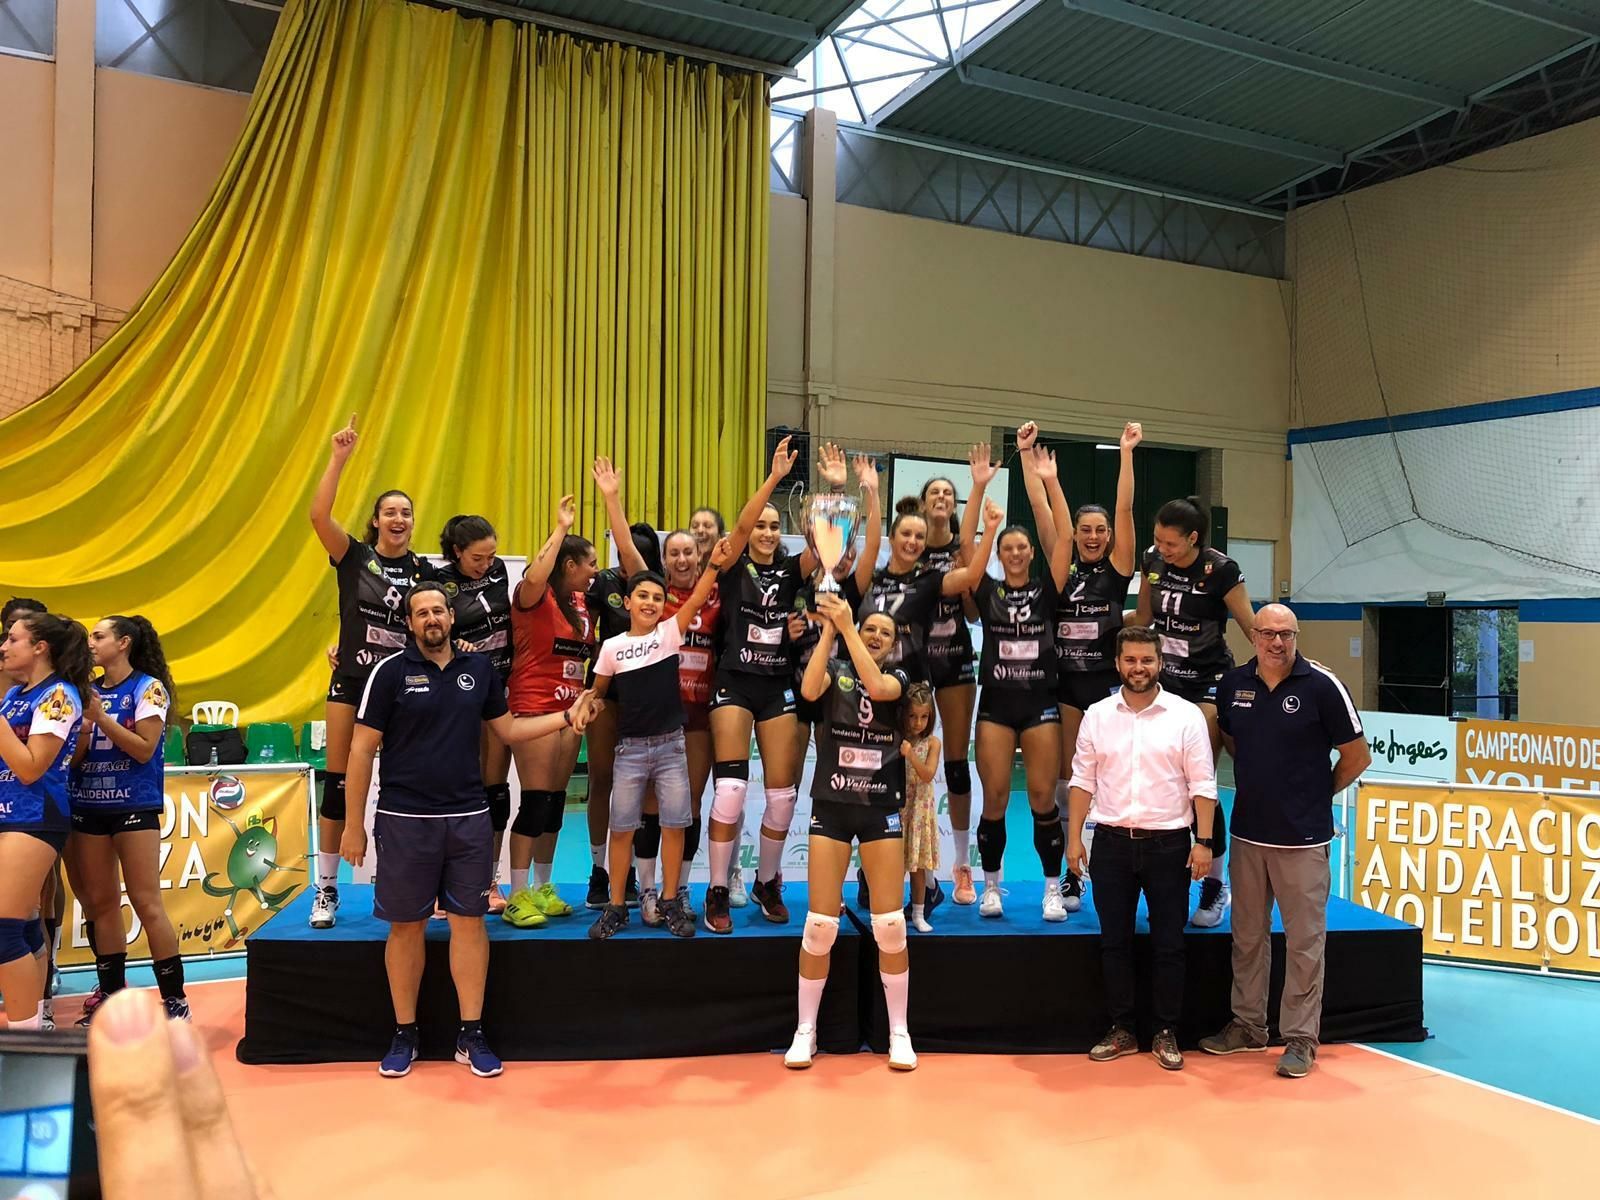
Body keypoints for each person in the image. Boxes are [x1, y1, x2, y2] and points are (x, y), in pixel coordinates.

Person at [341, 582, 596, 1078]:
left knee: (469, 924)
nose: (432, 619)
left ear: (451, 618)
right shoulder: (389, 673)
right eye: (421, 613)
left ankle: (471, 1033)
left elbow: (509, 731)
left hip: (468, 818)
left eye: (438, 610)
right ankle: (404, 1033)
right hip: (405, 820)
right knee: (406, 927)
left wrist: (565, 717)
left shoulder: (478, 670)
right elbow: (360, 749)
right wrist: (354, 825)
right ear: (409, 623)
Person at [702, 440, 875, 935]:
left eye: (774, 526)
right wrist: (775, 478)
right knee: (731, 790)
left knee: (782, 797)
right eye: (761, 525)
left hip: (776, 685)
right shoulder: (733, 564)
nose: (765, 532)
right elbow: (739, 527)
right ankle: (718, 888)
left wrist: (836, 489)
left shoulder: (790, 569)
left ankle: (767, 882)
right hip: (734, 683)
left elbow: (828, 546)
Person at [1199, 605, 1370, 1079]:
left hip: (1303, 839)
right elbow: (1234, 743)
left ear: (1296, 636)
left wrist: (1316, 794)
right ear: (1253, 636)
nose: (1277, 642)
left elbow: (1357, 756)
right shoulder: (1233, 685)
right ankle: (1248, 1025)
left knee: (1304, 942)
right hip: (1248, 833)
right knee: (1247, 937)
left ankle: (1299, 1038)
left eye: (1286, 634)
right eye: (1269, 634)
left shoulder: (1324, 686)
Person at [846, 456, 998, 913]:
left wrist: (989, 530)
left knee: (914, 787)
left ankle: (928, 879)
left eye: (917, 536)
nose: (912, 541)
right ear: (895, 538)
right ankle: (872, 872)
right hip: (869, 691)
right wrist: (871, 492)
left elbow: (970, 577)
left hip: (912, 689)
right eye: (905, 535)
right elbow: (870, 542)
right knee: (873, 782)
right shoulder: (872, 577)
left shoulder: (930, 580)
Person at [1066, 625, 1218, 1071]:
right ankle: (1122, 1029)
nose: (1139, 668)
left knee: (1170, 944)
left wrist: (1204, 842)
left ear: (1160, 663)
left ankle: (1166, 1031)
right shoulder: (1097, 715)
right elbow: (1082, 780)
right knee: (1114, 943)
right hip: (1110, 843)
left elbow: (1203, 783)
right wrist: (1073, 839)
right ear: (1117, 664)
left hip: (1170, 846)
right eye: (1130, 660)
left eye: (1147, 660)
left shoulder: (1186, 716)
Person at [307, 413, 434, 929]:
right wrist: (338, 458)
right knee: (337, 784)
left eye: (406, 512)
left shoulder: (424, 571)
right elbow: (318, 516)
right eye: (390, 512)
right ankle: (326, 888)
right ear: (376, 521)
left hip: (405, 687)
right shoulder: (355, 556)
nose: (399, 518)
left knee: (404, 783)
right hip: (353, 681)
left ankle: (406, 879)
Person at [785, 594, 915, 1071]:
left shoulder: (901, 676)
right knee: (820, 926)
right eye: (869, 628)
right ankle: (806, 1031)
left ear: (894, 643)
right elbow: (809, 690)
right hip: (833, 805)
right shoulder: (836, 666)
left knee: (890, 925)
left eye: (885, 632)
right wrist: (829, 631)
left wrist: (848, 628)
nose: (876, 635)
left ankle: (899, 1032)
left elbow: (877, 687)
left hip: (880, 806)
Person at [1018, 419, 1140, 914]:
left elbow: (1125, 507)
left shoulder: (1119, 568)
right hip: (1067, 686)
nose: (1091, 536)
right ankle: (1073, 874)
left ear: (1110, 536)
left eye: (1099, 530)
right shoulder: (1060, 562)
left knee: (1115, 780)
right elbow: (1042, 512)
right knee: (1070, 781)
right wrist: (1027, 456)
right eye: (1085, 530)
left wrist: (1126, 452)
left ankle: (1117, 869)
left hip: (1110, 689)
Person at [587, 539, 732, 939]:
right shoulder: (612, 647)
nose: (650, 603)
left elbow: (699, 596)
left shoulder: (670, 632)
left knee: (674, 825)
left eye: (656, 597)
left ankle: (669, 901)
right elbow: (598, 692)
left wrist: (714, 566)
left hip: (671, 748)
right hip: (630, 750)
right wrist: (587, 705)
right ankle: (617, 906)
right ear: (627, 602)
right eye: (642, 596)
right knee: (622, 829)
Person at [1134, 495, 1255, 928]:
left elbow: (1251, 625)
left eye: (1170, 543)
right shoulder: (1152, 560)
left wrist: (1285, 665)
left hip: (1208, 680)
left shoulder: (1221, 570)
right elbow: (1143, 616)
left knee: (1199, 780)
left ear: (1193, 539)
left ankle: (1215, 884)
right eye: (1158, 540)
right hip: (1166, 681)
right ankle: (1163, 875)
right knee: (1164, 780)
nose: (1162, 549)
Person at [67, 616, 189, 1024]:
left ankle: (174, 1000)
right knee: (101, 905)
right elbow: (76, 760)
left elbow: (144, 749)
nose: (91, 643)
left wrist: (102, 719)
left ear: (123, 643)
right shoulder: (86, 691)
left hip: (133, 804)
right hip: (88, 805)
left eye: (99, 636)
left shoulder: (147, 688)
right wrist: (85, 730)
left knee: (146, 902)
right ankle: (112, 999)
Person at [967, 447, 1068, 921]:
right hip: (996, 706)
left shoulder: (1047, 590)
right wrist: (979, 492)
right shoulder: (988, 591)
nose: (1014, 553)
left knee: (1044, 799)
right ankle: (991, 887)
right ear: (1000, 553)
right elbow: (966, 550)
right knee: (995, 799)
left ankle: (1052, 889)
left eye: (1021, 547)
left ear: (1030, 553)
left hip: (1040, 705)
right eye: (1007, 548)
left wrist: (1050, 481)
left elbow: (1065, 537)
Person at [502, 497, 596, 928]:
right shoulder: (534, 595)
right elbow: (536, 574)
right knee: (535, 801)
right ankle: (516, 894)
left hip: (570, 711)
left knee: (555, 804)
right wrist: (560, 529)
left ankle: (542, 885)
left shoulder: (581, 603)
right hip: (534, 708)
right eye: (589, 564)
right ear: (569, 564)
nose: (595, 571)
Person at [0, 613, 90, 1031]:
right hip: (9, 812)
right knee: (23, 925)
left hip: (35, 816)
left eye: (12, 639)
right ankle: (38, 1025)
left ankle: (25, 1040)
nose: (3, 646)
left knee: (3, 931)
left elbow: (31, 767)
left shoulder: (59, 695)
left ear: (40, 647)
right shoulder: (15, 694)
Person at [583, 465, 667, 910]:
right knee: (602, 779)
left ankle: (633, 872)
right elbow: (583, 632)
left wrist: (612, 499)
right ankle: (599, 871)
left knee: (641, 788)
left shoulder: (656, 590)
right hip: (608, 691)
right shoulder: (603, 583)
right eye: (620, 549)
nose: (624, 557)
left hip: (647, 700)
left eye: (633, 552)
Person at [435, 515, 516, 915]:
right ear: (457, 552)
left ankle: (489, 879)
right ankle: (443, 884)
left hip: (498, 688)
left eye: (491, 556)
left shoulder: (499, 571)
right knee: (452, 791)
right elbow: (424, 631)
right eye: (477, 558)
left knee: (494, 792)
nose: (486, 565)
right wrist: (455, 644)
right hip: (457, 695)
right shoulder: (437, 581)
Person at [914, 475, 981, 905]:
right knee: (905, 764)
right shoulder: (910, 544)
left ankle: (961, 865)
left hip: (955, 658)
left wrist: (965, 573)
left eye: (947, 493)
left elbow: (973, 613)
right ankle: (906, 865)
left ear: (954, 505)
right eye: (934, 492)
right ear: (922, 503)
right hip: (917, 661)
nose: (941, 497)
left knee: (955, 766)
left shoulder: (963, 548)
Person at [900, 683, 941, 933]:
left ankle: (918, 912)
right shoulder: (897, 738)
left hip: (920, 812)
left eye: (924, 716)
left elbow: (927, 774)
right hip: (899, 810)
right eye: (913, 716)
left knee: (918, 869)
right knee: (895, 867)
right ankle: (893, 913)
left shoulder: (933, 743)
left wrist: (911, 755)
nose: (918, 723)